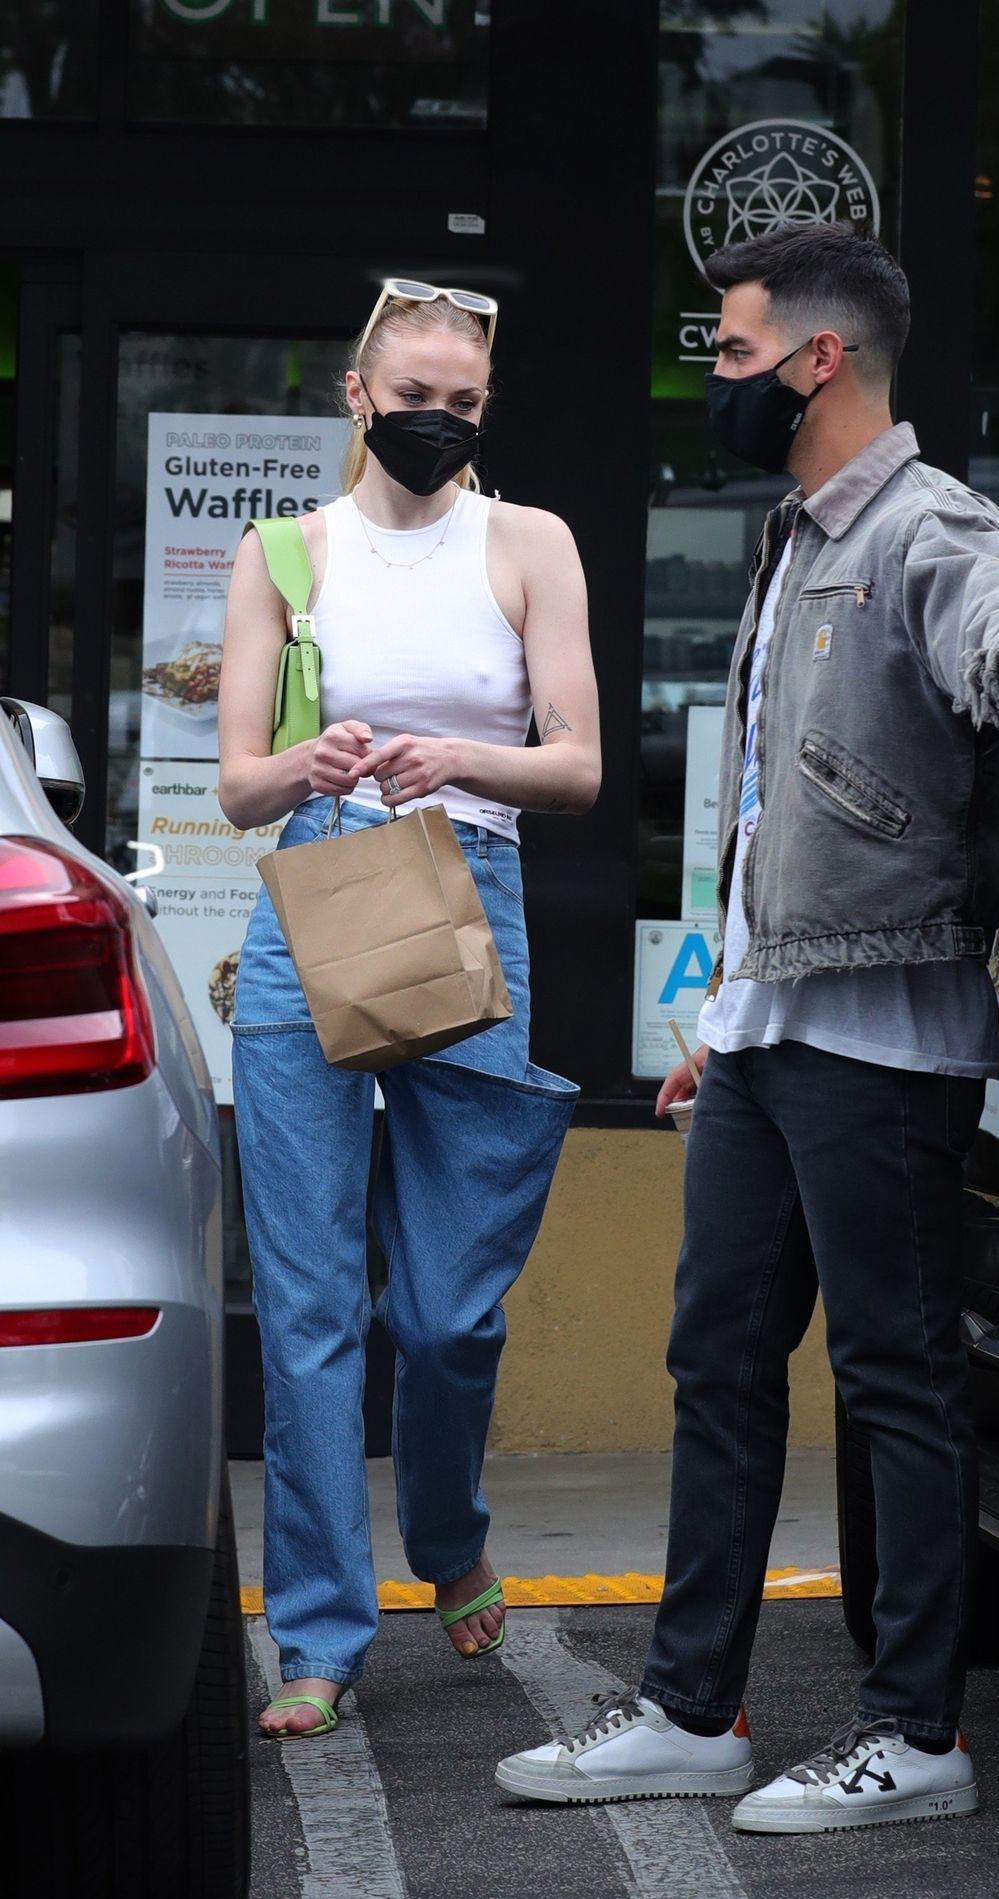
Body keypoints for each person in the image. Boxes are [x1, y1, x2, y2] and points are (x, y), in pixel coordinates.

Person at [495, 222, 999, 1831]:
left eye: (731, 349)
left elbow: (997, 606)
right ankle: (692, 1708)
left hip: (885, 1036)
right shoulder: (791, 537)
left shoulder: (927, 522)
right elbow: (777, 806)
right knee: (718, 1359)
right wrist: (723, 1008)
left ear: (818, 359)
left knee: (896, 1374)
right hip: (772, 1028)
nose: (717, 376)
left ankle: (916, 1737)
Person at [219, 280, 600, 1739]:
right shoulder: (284, 554)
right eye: (414, 397)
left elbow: (576, 764)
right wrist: (308, 766)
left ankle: (446, 1533)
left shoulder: (529, 543)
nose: (437, 420)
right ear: (358, 396)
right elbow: (238, 781)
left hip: (465, 892)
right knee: (307, 1303)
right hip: (315, 898)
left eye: (464, 403)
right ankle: (318, 1634)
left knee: (446, 1312)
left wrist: (458, 756)